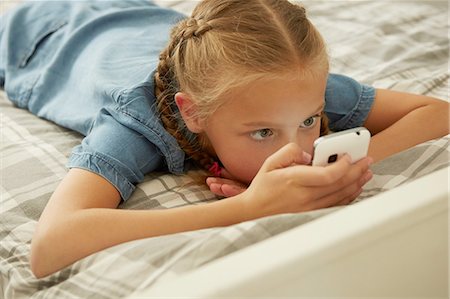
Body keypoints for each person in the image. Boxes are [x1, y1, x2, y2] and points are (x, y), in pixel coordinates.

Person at [0, 0, 448, 278]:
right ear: (192, 112)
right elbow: (50, 246)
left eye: (311, 121)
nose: (299, 150)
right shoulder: (138, 120)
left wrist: (337, 172)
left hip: (134, 11)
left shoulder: (287, 87)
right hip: (35, 34)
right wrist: (250, 208)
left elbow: (437, 112)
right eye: (262, 133)